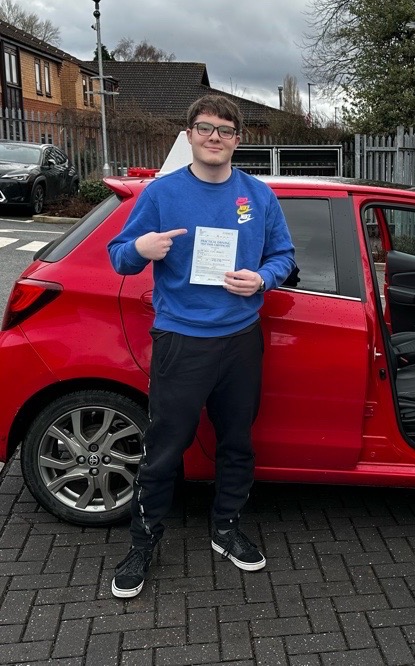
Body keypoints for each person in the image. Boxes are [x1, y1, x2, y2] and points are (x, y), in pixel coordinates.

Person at [107, 94, 295, 599]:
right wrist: (140, 250)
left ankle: (226, 527)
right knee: (165, 447)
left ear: (238, 139)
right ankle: (143, 543)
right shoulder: (161, 195)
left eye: (226, 130)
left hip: (239, 341)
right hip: (181, 341)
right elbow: (118, 257)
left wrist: (262, 279)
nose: (215, 137)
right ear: (189, 134)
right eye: (205, 128)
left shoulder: (258, 197)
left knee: (237, 441)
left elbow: (284, 256)